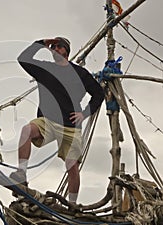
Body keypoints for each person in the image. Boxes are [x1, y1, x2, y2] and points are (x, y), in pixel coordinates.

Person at [10, 37, 104, 204]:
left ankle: (73, 205)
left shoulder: (80, 73)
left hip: (71, 125)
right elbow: (23, 59)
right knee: (27, 130)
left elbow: (98, 93)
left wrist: (85, 113)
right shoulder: (45, 69)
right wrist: (41, 43)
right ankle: (21, 174)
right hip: (47, 120)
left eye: (59, 46)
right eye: (53, 47)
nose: (55, 49)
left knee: (72, 165)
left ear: (66, 51)